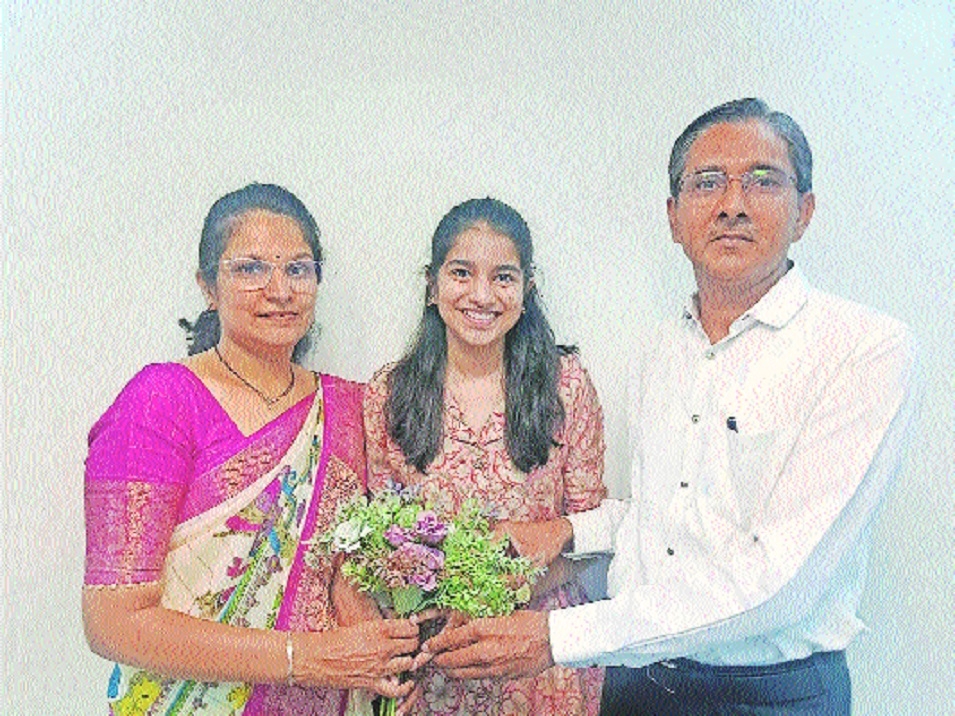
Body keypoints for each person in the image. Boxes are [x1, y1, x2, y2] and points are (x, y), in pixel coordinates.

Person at [423, 99, 920, 715]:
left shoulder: (862, 349)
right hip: (637, 685)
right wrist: (567, 530)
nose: (732, 204)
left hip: (767, 696)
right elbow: (665, 517)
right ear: (674, 217)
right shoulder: (661, 349)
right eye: (708, 182)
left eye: (762, 180)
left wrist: (557, 637)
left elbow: (781, 582)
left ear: (805, 211)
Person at [82, 183, 425, 715]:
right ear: (207, 287)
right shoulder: (159, 402)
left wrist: (381, 662)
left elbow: (337, 570)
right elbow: (115, 620)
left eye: (297, 269)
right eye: (250, 269)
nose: (279, 290)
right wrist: (303, 657)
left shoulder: (348, 406)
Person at [362, 197, 607, 715]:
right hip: (434, 655)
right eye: (461, 273)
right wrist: (431, 616)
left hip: (537, 650)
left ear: (527, 289)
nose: (481, 295)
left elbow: (590, 534)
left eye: (502, 277)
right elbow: (383, 540)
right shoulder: (391, 392)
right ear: (431, 286)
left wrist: (498, 603)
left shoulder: (565, 385)